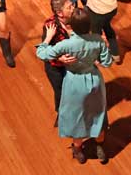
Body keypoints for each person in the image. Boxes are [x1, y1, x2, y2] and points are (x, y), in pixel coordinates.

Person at [36, 8, 112, 164]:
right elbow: (107, 62)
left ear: (72, 26)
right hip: (94, 81)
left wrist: (47, 39)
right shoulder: (98, 40)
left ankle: (78, 151)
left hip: (74, 84)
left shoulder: (66, 45)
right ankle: (100, 149)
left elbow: (41, 54)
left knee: (77, 119)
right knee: (98, 116)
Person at [40, 0, 78, 119]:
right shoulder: (50, 25)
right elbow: (44, 49)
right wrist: (59, 58)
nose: (73, 8)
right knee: (60, 90)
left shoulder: (77, 19)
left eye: (72, 5)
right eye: (69, 7)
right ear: (60, 13)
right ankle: (61, 114)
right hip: (55, 67)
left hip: (73, 64)